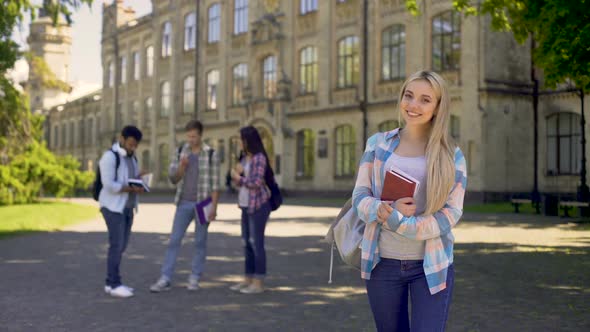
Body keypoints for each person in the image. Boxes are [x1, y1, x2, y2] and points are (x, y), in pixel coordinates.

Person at [352, 70, 467, 331]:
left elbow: (451, 214)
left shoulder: (452, 155)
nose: (413, 105)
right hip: (382, 264)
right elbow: (359, 198)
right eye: (409, 95)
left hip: (431, 266)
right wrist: (386, 209)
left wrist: (400, 222)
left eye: (425, 99)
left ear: (438, 106)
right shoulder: (378, 144)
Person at [150, 120, 220, 292]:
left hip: (204, 204)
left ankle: (194, 277)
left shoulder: (211, 154)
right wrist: (182, 166)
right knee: (174, 240)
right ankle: (165, 278)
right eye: (188, 136)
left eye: (194, 136)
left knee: (200, 242)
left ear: (200, 135)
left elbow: (215, 185)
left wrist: (214, 208)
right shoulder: (181, 151)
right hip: (184, 203)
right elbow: (173, 179)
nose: (191, 139)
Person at [99, 125, 146, 298]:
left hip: (127, 207)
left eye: (136, 145)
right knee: (116, 244)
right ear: (122, 139)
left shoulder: (133, 159)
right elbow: (109, 184)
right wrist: (129, 188)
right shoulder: (109, 157)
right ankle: (115, 283)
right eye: (131, 143)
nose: (133, 147)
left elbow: (129, 180)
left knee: (122, 245)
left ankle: (110, 284)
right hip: (112, 207)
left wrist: (140, 181)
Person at [229, 126, 274, 294]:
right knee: (246, 243)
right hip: (245, 205)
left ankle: (259, 281)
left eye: (241, 139)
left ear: (249, 140)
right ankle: (248, 278)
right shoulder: (245, 159)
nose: (239, 142)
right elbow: (239, 181)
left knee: (257, 243)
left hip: (258, 205)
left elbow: (255, 183)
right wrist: (235, 177)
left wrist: (238, 178)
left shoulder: (259, 158)